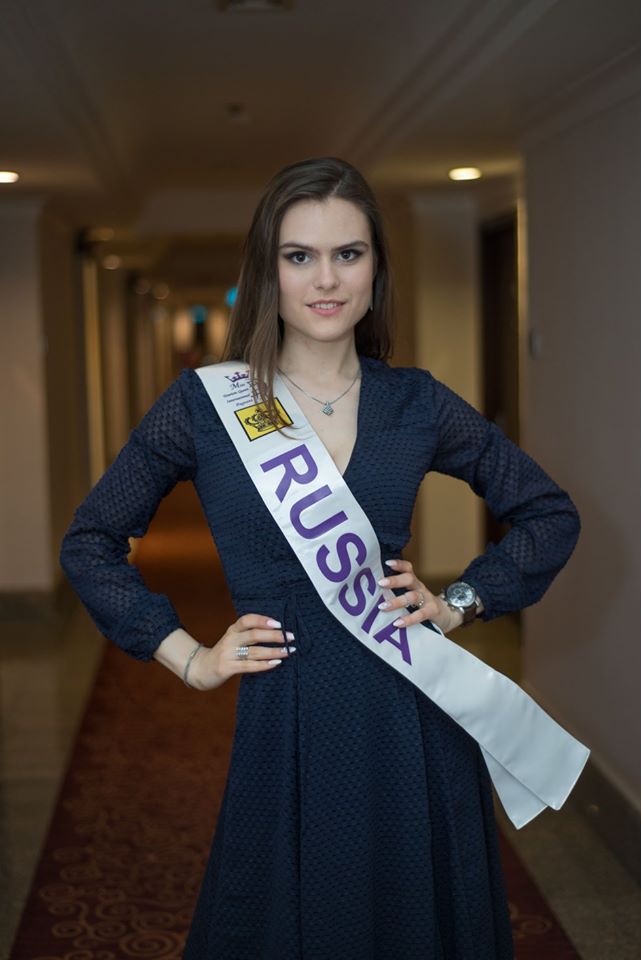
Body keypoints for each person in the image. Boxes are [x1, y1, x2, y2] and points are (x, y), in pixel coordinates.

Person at [59, 156, 581, 960]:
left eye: (349, 253)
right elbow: (91, 542)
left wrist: (460, 602)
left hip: (409, 708)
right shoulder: (204, 406)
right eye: (299, 255)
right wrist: (188, 658)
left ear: (375, 268)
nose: (326, 279)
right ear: (266, 271)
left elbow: (547, 513)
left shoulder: (415, 402)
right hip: (286, 713)